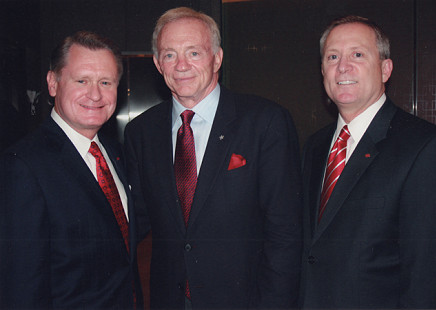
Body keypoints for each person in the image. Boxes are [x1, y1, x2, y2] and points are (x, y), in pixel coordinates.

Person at [124, 7, 302, 310]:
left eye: (194, 52)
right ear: (157, 63)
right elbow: (134, 221)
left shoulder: (265, 122)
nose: (181, 65)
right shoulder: (140, 132)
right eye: (169, 55)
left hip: (245, 301)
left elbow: (285, 231)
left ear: (217, 57)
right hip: (170, 299)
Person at [300, 15, 436, 308]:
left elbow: (424, 274)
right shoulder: (314, 146)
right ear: (322, 70)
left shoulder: (422, 146)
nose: (343, 67)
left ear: (385, 69)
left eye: (357, 55)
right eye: (332, 57)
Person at [0, 31, 143, 309]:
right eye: (82, 81)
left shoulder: (114, 153)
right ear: (53, 84)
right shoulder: (23, 166)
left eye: (106, 82)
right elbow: (20, 286)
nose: (95, 94)